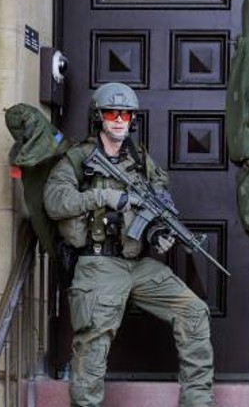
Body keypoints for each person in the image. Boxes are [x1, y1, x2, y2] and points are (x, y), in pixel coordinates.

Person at [44, 82, 217, 407]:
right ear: (100, 117)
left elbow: (153, 204)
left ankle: (198, 400)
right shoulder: (78, 158)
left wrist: (157, 233)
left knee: (194, 311)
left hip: (138, 266)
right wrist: (105, 196)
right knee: (94, 341)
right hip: (98, 264)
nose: (120, 119)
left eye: (126, 113)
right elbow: (55, 201)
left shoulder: (140, 160)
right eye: (113, 112)